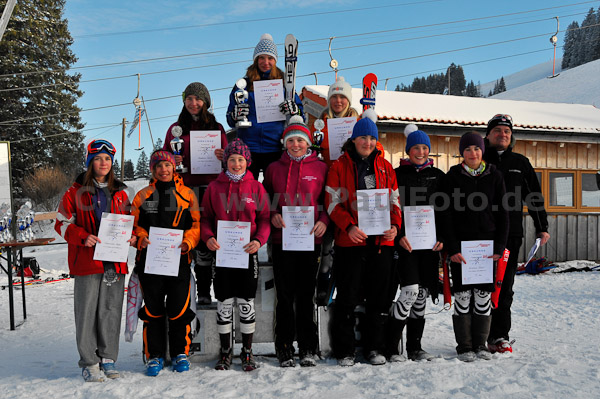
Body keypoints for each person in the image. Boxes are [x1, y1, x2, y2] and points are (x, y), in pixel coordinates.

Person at [55, 139, 135, 382]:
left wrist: (132, 235)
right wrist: (82, 236)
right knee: (87, 311)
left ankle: (108, 358)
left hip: (115, 261)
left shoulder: (122, 192)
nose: (103, 163)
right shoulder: (74, 192)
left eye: (108, 159)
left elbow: (132, 219)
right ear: (90, 162)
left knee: (111, 310)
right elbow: (60, 223)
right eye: (98, 158)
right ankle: (89, 361)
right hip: (87, 260)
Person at [324, 116, 402, 366]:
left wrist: (395, 225)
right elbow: (332, 203)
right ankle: (345, 350)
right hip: (351, 241)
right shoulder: (339, 165)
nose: (367, 142)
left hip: (381, 243)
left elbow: (395, 202)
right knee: (347, 297)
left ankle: (375, 348)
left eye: (371, 138)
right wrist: (348, 226)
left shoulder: (386, 167)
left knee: (379, 298)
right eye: (363, 137)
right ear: (354, 139)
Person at [263, 115, 329, 367]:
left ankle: (308, 347)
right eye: (291, 140)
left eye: (300, 140)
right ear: (285, 143)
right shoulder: (273, 168)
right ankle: (283, 346)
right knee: (285, 294)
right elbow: (265, 198)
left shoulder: (321, 168)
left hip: (311, 241)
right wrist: (273, 214)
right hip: (282, 241)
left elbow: (328, 199)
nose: (296, 145)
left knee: (306, 294)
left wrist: (323, 219)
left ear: (308, 142)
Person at [201, 139, 270, 371]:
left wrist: (259, 240)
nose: (237, 164)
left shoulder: (256, 187)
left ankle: (247, 351)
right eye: (232, 159)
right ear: (225, 162)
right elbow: (206, 219)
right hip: (222, 254)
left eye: (241, 159)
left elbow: (264, 219)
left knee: (246, 302)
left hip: (246, 253)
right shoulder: (214, 187)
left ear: (247, 161)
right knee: (224, 301)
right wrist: (208, 236)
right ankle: (225, 351)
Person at [483, 114, 550, 353]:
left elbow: (534, 196)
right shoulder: (477, 159)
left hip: (510, 236)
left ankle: (499, 336)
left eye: (507, 132)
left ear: (511, 137)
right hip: (479, 236)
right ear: (488, 135)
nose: (502, 135)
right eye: (498, 130)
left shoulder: (520, 163)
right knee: (477, 286)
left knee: (504, 286)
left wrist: (542, 226)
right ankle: (473, 337)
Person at [130, 150, 200, 376]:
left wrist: (188, 242)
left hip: (179, 261)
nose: (164, 169)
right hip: (149, 263)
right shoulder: (142, 195)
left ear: (174, 167)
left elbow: (196, 226)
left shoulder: (188, 194)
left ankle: (181, 352)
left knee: (179, 310)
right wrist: (141, 237)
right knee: (153, 311)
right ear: (153, 169)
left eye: (167, 165)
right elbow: (134, 225)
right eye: (158, 166)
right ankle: (154, 355)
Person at [441, 132, 509, 362]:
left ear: (483, 151)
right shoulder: (452, 176)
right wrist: (452, 247)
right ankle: (464, 346)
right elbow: (446, 214)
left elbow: (503, 214)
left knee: (482, 296)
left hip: (487, 247)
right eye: (468, 149)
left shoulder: (495, 176)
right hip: (461, 247)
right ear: (462, 152)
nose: (473, 153)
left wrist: (500, 245)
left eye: (477, 149)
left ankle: (480, 343)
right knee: (462, 296)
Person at [163, 82, 228, 305]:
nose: (194, 103)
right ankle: (201, 292)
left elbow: (231, 161)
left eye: (198, 99)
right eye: (189, 99)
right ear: (184, 101)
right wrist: (172, 159)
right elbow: (162, 160)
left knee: (214, 238)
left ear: (206, 103)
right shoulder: (175, 129)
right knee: (196, 240)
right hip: (185, 191)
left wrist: (223, 155)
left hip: (213, 188)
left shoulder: (217, 127)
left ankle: (221, 291)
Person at [386, 126, 445, 362]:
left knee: (421, 294)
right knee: (409, 291)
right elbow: (391, 208)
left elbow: (445, 212)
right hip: (405, 245)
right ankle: (390, 347)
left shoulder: (439, 176)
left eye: (424, 148)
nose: (420, 152)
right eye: (415, 148)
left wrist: (443, 238)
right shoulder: (396, 174)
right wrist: (399, 234)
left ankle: (415, 347)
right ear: (408, 150)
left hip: (429, 246)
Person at [226, 33, 304, 178]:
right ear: (256, 60)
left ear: (275, 60)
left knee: (273, 190)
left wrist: (294, 111)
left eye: (270, 58)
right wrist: (235, 115)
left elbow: (301, 117)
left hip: (275, 146)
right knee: (248, 191)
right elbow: (230, 119)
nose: (265, 62)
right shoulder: (244, 85)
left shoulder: (285, 85)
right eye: (261, 57)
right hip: (249, 148)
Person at [311, 76, 360, 306]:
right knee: (328, 240)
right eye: (334, 97)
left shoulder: (358, 124)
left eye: (342, 97)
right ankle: (324, 280)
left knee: (350, 238)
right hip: (327, 184)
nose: (338, 101)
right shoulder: (320, 124)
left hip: (351, 185)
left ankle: (350, 285)